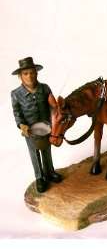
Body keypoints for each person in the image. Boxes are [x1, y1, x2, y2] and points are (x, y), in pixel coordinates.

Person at [11, 57, 62, 193]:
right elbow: (17, 113)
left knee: (46, 151)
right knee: (34, 153)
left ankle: (49, 172)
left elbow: (53, 106)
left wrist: (55, 107)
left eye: (32, 72)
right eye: (26, 73)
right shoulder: (16, 94)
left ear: (37, 73)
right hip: (31, 131)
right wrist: (21, 125)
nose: (30, 76)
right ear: (20, 76)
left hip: (46, 127)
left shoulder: (44, 88)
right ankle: (40, 177)